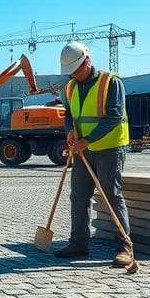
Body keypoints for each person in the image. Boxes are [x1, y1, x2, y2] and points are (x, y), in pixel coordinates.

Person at [53, 42, 134, 271]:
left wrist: (87, 140)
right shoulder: (70, 86)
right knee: (78, 196)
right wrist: (69, 129)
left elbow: (114, 117)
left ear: (87, 61)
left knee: (111, 195)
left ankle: (125, 247)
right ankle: (78, 243)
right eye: (70, 73)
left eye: (76, 70)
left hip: (109, 148)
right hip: (82, 150)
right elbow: (69, 114)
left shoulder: (111, 82)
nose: (73, 75)